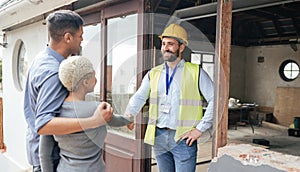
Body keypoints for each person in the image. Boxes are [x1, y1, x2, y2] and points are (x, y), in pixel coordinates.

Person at [23, 10, 113, 172]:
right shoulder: (53, 72)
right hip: (49, 160)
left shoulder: (40, 59)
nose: (82, 40)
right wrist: (94, 121)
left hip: (41, 153)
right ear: (68, 37)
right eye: (80, 35)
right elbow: (44, 124)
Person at [125, 23, 214, 172]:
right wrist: (129, 114)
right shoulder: (154, 73)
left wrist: (200, 129)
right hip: (159, 136)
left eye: (171, 44)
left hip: (183, 139)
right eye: (164, 44)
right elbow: (139, 96)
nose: (166, 48)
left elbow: (215, 100)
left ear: (181, 47)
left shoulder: (195, 72)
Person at [39, 56, 132, 172]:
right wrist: (128, 120)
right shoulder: (97, 109)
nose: (97, 79)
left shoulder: (54, 114)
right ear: (86, 82)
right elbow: (116, 121)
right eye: (94, 75)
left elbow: (44, 154)